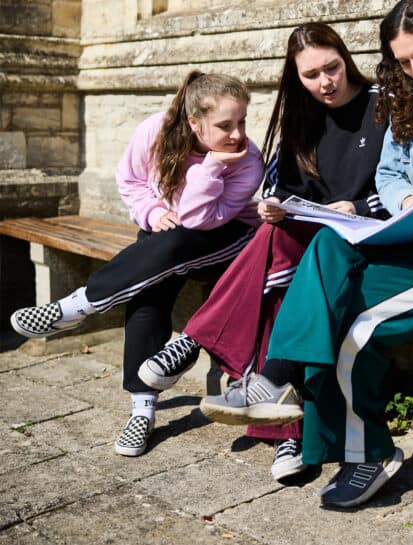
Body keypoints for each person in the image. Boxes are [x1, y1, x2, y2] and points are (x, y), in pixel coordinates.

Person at [198, 0, 413, 508]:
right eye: (403, 63)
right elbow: (391, 174)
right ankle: (276, 383)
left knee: (357, 331)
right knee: (330, 243)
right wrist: (406, 203)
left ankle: (365, 453)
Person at [135, 23, 389, 480]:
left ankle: (197, 341)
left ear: (346, 59)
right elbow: (291, 190)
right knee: (273, 255)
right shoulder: (302, 116)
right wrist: (277, 206)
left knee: (276, 273)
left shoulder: (382, 104)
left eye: (331, 68)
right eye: (311, 75)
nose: (324, 82)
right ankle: (285, 431)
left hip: (363, 236)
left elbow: (404, 185)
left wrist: (358, 205)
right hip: (308, 234)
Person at [10, 71, 264, 457]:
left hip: (225, 242)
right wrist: (151, 211)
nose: (237, 133)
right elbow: (130, 181)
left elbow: (200, 220)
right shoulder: (157, 131)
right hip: (168, 237)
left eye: (242, 121)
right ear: (194, 122)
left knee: (172, 244)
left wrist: (213, 165)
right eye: (225, 125)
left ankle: (76, 307)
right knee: (148, 292)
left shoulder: (246, 161)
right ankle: (142, 409)